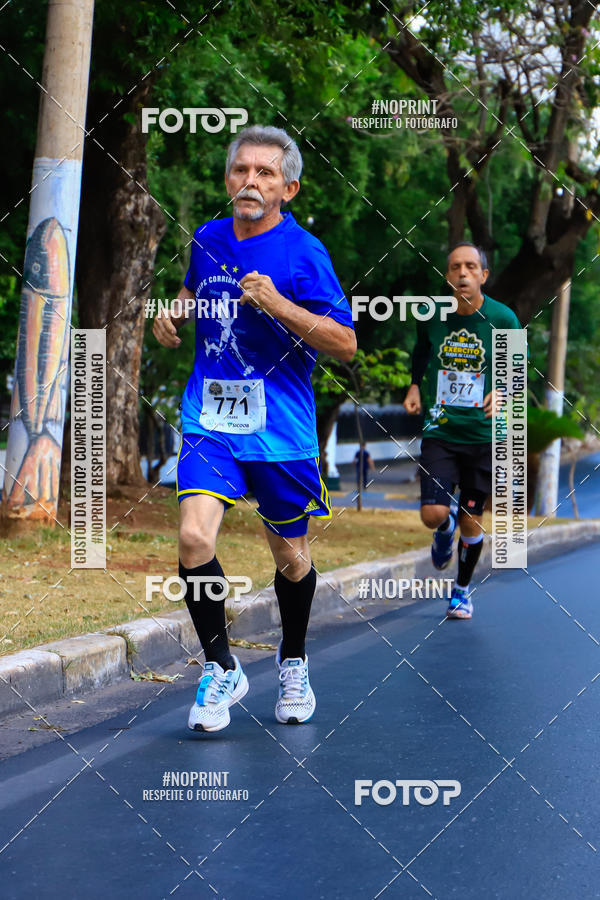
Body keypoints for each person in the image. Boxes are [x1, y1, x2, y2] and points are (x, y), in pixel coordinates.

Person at [153, 125, 356, 732]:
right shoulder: (208, 238)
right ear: (228, 179)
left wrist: (279, 305)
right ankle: (222, 667)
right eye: (242, 170)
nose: (250, 181)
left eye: (265, 173)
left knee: (291, 557)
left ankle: (293, 661)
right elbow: (194, 290)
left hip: (280, 429)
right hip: (210, 418)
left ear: (288, 189)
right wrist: (174, 313)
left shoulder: (304, 254)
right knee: (194, 538)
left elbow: (344, 343)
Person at [403, 242, 523, 619]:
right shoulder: (432, 315)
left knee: (473, 520)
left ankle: (461, 591)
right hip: (441, 430)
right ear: (447, 275)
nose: (463, 273)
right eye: (455, 267)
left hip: (484, 437)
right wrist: (414, 385)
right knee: (432, 513)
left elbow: (516, 367)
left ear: (483, 275)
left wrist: (503, 391)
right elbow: (422, 351)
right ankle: (444, 527)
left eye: (471, 267)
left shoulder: (503, 318)